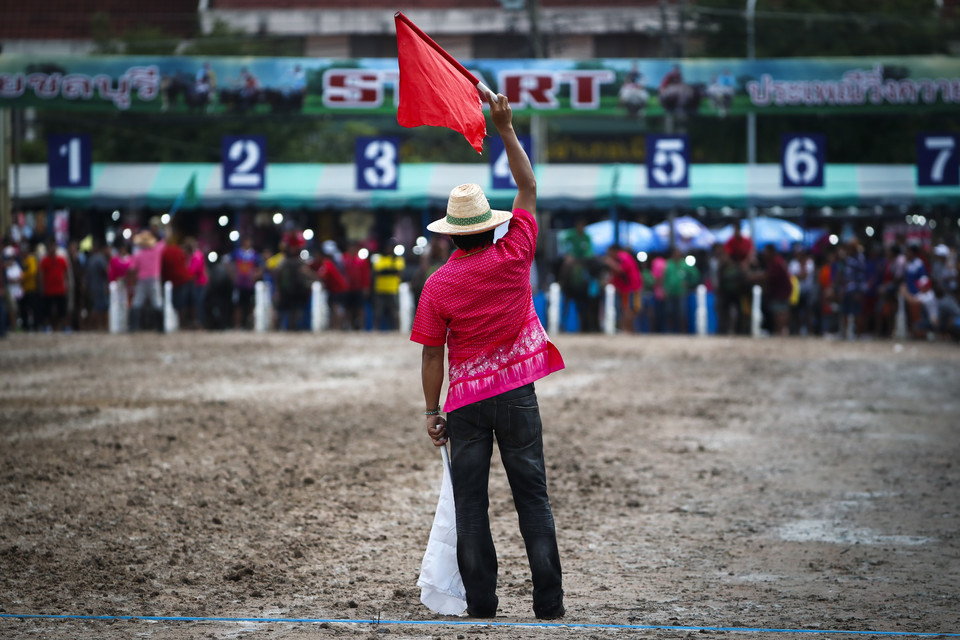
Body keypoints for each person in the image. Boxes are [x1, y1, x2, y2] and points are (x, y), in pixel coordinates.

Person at [412, 92, 565, 621]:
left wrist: (433, 411)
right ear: (489, 225)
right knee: (533, 499)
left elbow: (433, 355)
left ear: (453, 233)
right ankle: (549, 603)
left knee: (472, 507)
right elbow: (528, 185)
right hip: (518, 395)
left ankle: (481, 605)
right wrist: (504, 128)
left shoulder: (437, 285)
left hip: (468, 404)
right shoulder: (516, 252)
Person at [129, 229, 165, 332]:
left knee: (137, 302)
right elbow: (165, 241)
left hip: (142, 280)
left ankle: (133, 327)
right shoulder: (157, 250)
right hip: (154, 279)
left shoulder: (138, 254)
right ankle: (160, 328)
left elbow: (132, 269)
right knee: (157, 302)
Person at [604, 244, 642, 334]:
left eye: (609, 252)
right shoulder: (620, 257)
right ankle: (628, 330)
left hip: (631, 287)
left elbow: (620, 270)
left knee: (629, 309)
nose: (607, 254)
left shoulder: (622, 256)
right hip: (629, 287)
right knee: (629, 309)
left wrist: (609, 262)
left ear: (614, 251)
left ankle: (626, 330)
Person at [371, 239, 405, 331]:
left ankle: (398, 330)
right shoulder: (379, 258)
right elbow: (377, 270)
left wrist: (385, 271)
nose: (389, 249)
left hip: (392, 289)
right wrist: (390, 270)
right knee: (378, 312)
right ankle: (375, 330)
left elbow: (398, 271)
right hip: (380, 289)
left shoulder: (398, 259)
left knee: (394, 312)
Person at [230, 236, 263, 330]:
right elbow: (228, 263)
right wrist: (233, 276)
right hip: (239, 284)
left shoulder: (255, 254)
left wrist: (255, 275)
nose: (247, 243)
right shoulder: (237, 253)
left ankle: (252, 326)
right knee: (238, 306)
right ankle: (237, 326)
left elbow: (260, 268)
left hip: (250, 285)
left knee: (252, 306)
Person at [85, 240, 110, 331]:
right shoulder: (100, 258)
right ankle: (97, 326)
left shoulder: (90, 259)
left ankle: (93, 326)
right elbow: (106, 271)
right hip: (100, 286)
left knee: (96, 306)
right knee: (100, 307)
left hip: (92, 286)